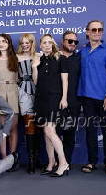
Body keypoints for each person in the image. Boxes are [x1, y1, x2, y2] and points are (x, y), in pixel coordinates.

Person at [78, 20, 106, 175]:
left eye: (100, 29)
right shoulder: (82, 52)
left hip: (104, 98)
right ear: (87, 32)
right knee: (90, 131)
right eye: (93, 29)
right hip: (86, 99)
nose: (97, 32)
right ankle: (92, 161)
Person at [32, 34, 69, 177]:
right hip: (41, 99)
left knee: (49, 131)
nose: (47, 45)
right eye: (44, 43)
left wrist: (64, 98)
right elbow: (35, 82)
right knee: (46, 133)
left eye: (49, 42)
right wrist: (35, 66)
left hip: (54, 98)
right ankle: (51, 163)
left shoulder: (61, 58)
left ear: (53, 44)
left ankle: (63, 163)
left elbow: (65, 80)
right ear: (40, 45)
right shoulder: (37, 59)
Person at [0, 34, 20, 171]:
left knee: (13, 127)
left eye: (4, 41)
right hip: (0, 91)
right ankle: (4, 158)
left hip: (13, 91)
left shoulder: (16, 58)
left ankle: (12, 157)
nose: (1, 44)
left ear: (9, 43)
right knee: (2, 129)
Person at [16, 33, 41, 174]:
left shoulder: (38, 56)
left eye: (28, 42)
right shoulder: (16, 57)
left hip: (39, 91)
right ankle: (31, 160)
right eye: (23, 42)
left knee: (40, 125)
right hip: (23, 92)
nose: (25, 45)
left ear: (32, 43)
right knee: (29, 124)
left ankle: (37, 158)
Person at [58, 31, 81, 167]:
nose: (73, 44)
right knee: (55, 133)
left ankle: (67, 162)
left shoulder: (79, 59)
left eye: (75, 42)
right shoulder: (56, 57)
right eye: (69, 41)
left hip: (74, 102)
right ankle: (56, 161)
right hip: (55, 101)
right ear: (63, 42)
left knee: (70, 134)